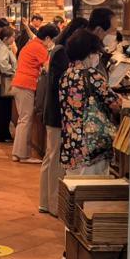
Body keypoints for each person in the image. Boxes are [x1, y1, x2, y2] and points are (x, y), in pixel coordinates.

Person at [38, 16, 90, 213]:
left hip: (56, 112)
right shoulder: (62, 52)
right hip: (58, 113)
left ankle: (47, 202)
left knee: (51, 157)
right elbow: (60, 85)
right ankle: (53, 204)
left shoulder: (58, 49)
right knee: (54, 158)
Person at [59, 30, 122, 175]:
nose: (98, 57)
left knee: (74, 185)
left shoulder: (66, 74)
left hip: (70, 145)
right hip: (91, 145)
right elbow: (115, 103)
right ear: (88, 54)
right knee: (92, 185)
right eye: (97, 53)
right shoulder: (92, 75)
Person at [11, 23, 58, 163]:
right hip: (26, 84)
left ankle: (18, 153)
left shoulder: (32, 44)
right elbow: (48, 67)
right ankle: (22, 155)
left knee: (23, 119)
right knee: (25, 120)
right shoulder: (39, 47)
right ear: (48, 38)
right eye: (53, 40)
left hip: (19, 83)